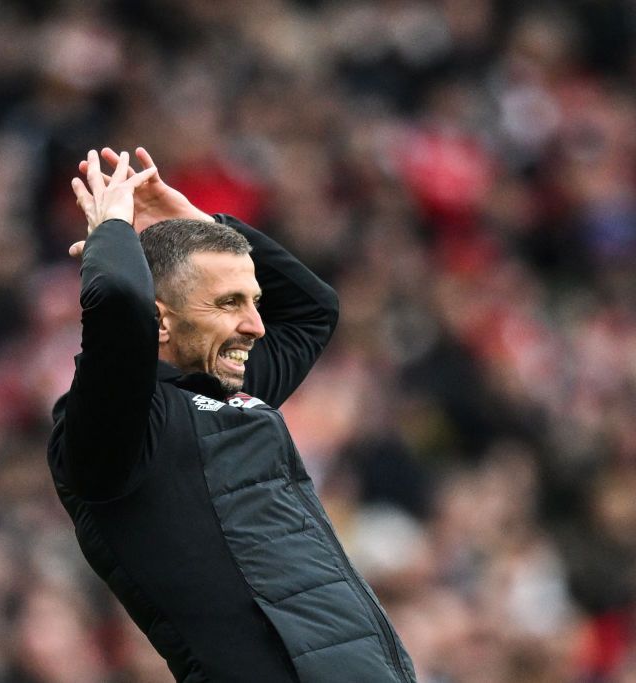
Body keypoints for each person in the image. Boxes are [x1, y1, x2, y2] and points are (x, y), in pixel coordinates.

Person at [47, 148, 417, 683]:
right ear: (159, 323)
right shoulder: (122, 433)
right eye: (228, 304)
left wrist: (197, 226)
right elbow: (119, 297)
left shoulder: (230, 395)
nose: (256, 326)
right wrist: (113, 231)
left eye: (253, 301)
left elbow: (313, 311)